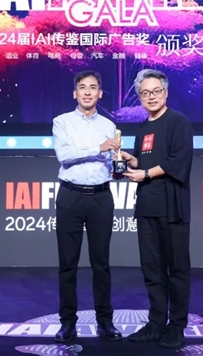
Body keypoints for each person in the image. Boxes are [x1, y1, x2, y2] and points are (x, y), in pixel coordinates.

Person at [118, 69, 193, 349]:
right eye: (145, 93)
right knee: (152, 269)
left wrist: (146, 173)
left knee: (177, 270)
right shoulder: (143, 129)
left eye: (156, 91)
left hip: (172, 207)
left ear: (166, 92)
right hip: (147, 206)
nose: (151, 97)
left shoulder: (178, 122)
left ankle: (177, 327)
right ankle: (156, 323)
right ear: (140, 97)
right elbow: (144, 162)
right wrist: (131, 160)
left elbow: (178, 161)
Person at [51, 70, 123, 343]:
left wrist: (120, 163)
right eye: (83, 87)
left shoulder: (109, 125)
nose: (88, 92)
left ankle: (105, 321)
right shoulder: (62, 122)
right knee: (68, 264)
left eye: (93, 87)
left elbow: (111, 160)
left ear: (100, 93)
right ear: (75, 93)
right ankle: (67, 323)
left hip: (101, 198)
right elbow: (65, 155)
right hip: (71, 196)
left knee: (101, 264)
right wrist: (99, 147)